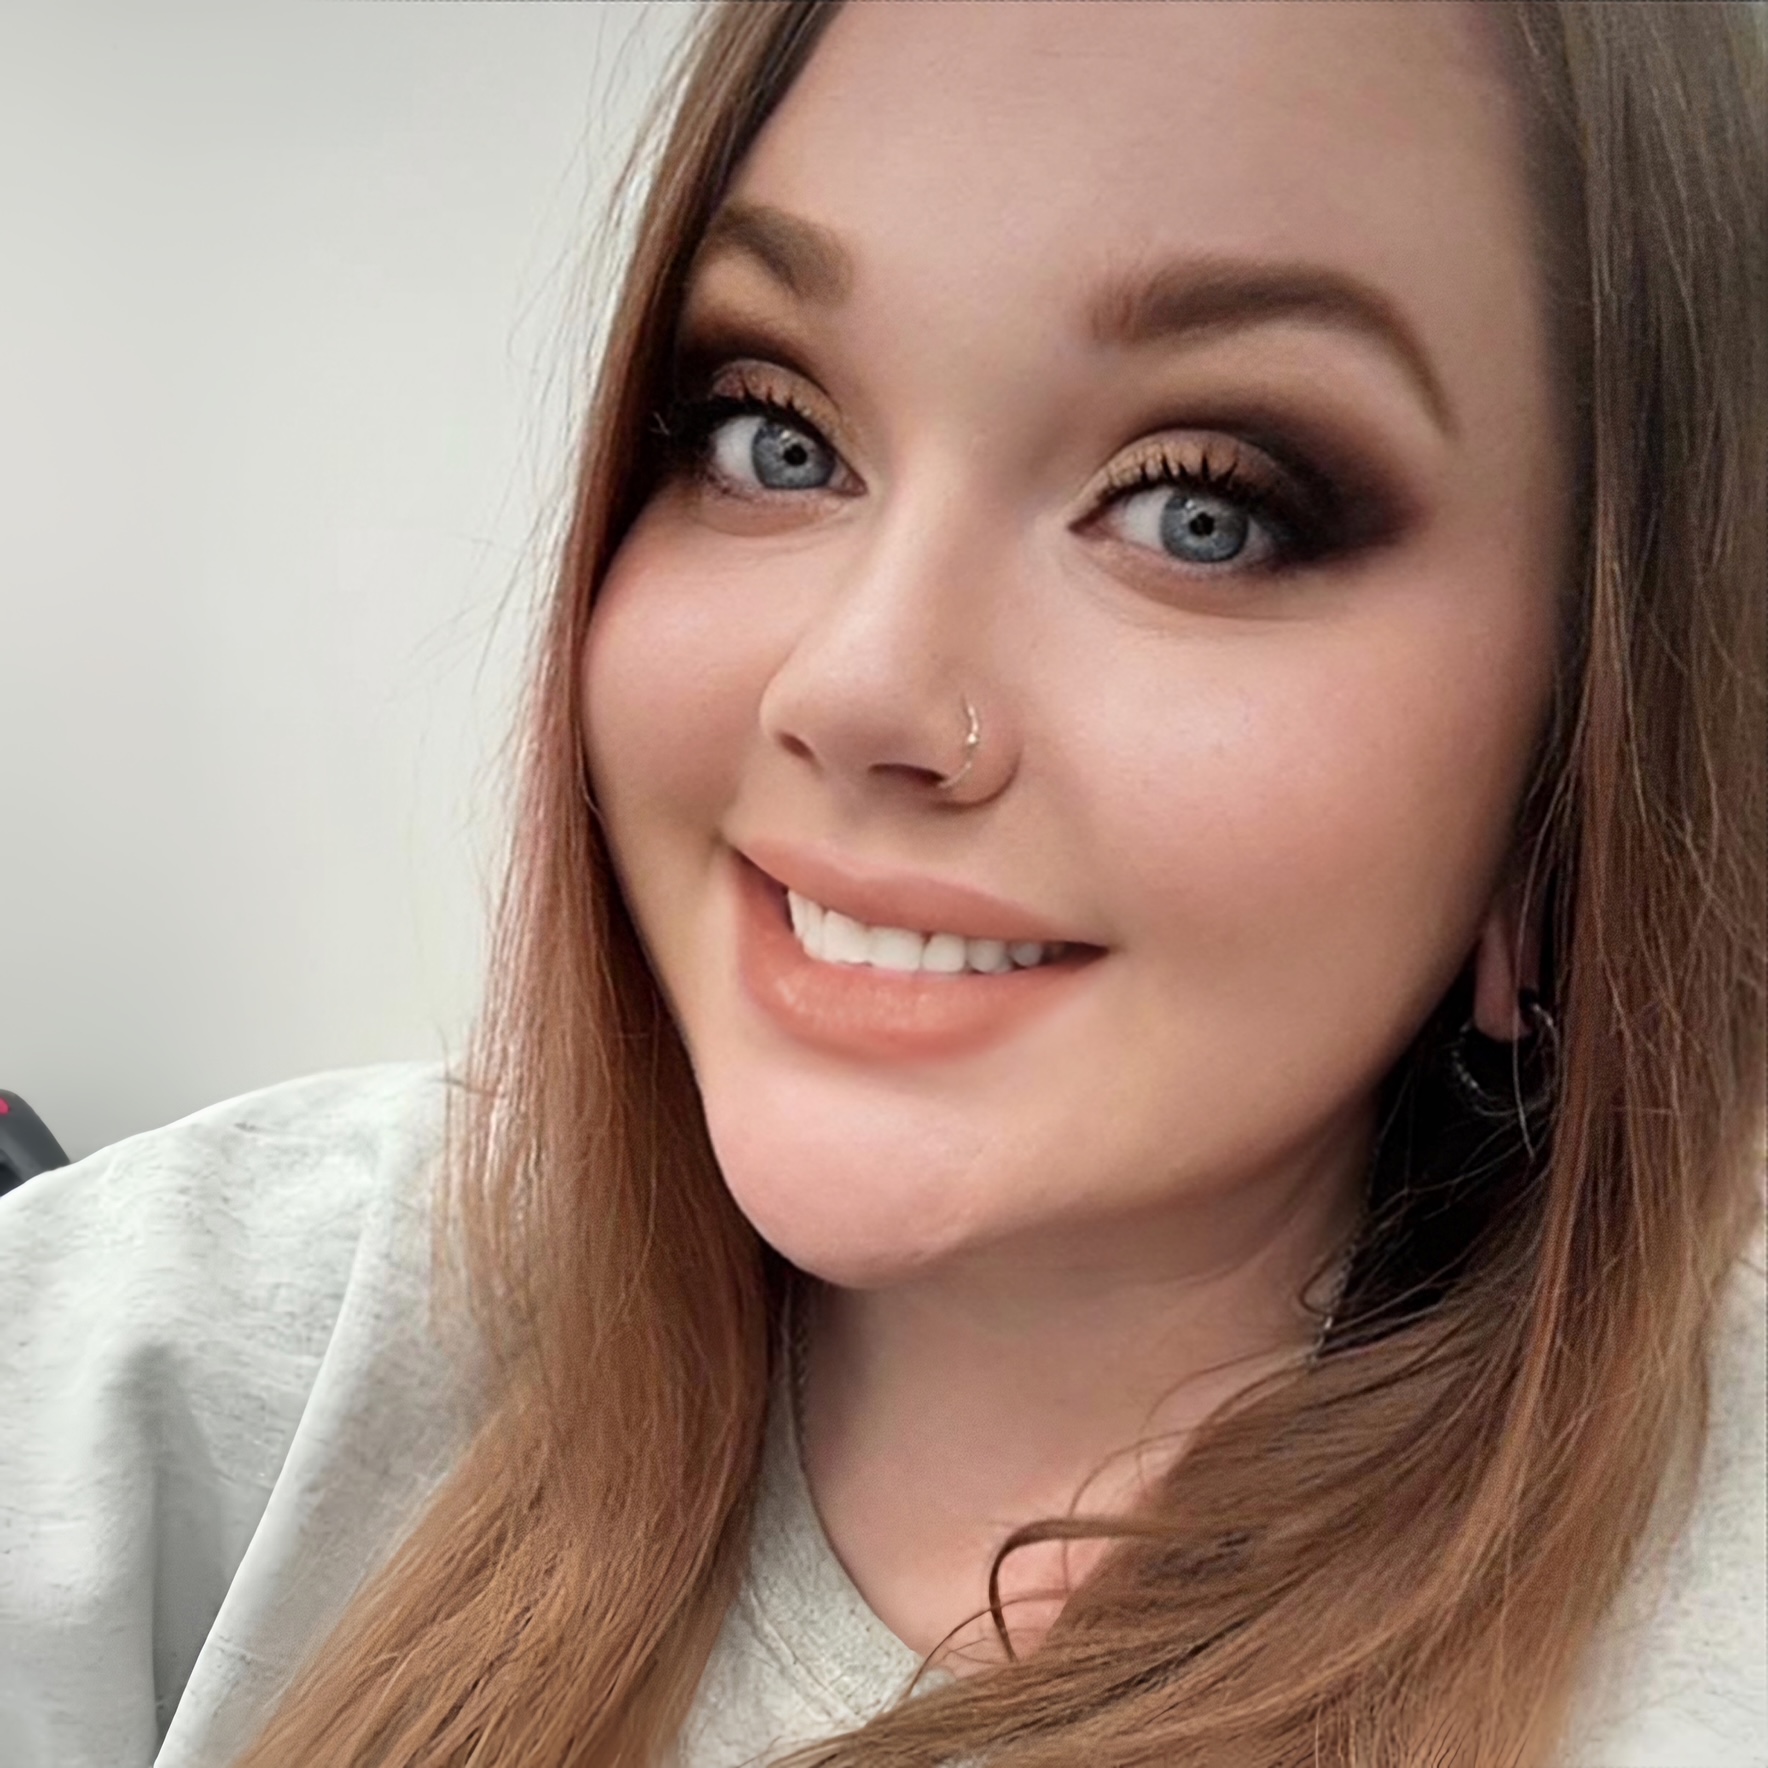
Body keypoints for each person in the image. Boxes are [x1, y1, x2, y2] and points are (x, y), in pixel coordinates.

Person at [2, 3, 1763, 1764]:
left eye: (1205, 511)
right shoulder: (183, 1354)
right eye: (772, 434)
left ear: (1584, 757)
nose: (849, 691)